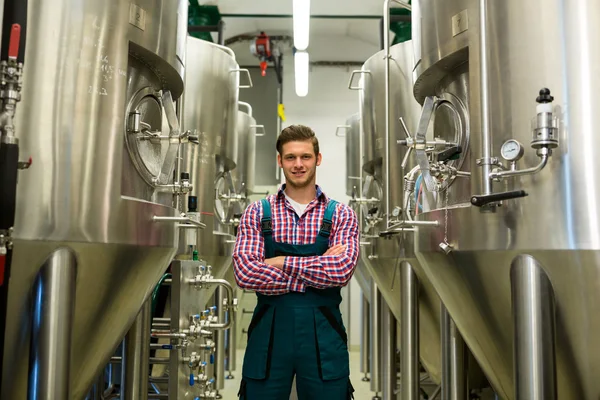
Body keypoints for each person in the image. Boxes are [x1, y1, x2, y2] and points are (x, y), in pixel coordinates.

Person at [233, 125, 359, 400]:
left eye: (305, 156)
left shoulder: (341, 214)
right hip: (269, 334)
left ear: (318, 159)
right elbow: (245, 273)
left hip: (323, 334)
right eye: (290, 157)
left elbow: (340, 272)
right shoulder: (257, 212)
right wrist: (316, 267)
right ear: (280, 161)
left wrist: (278, 262)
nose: (298, 164)